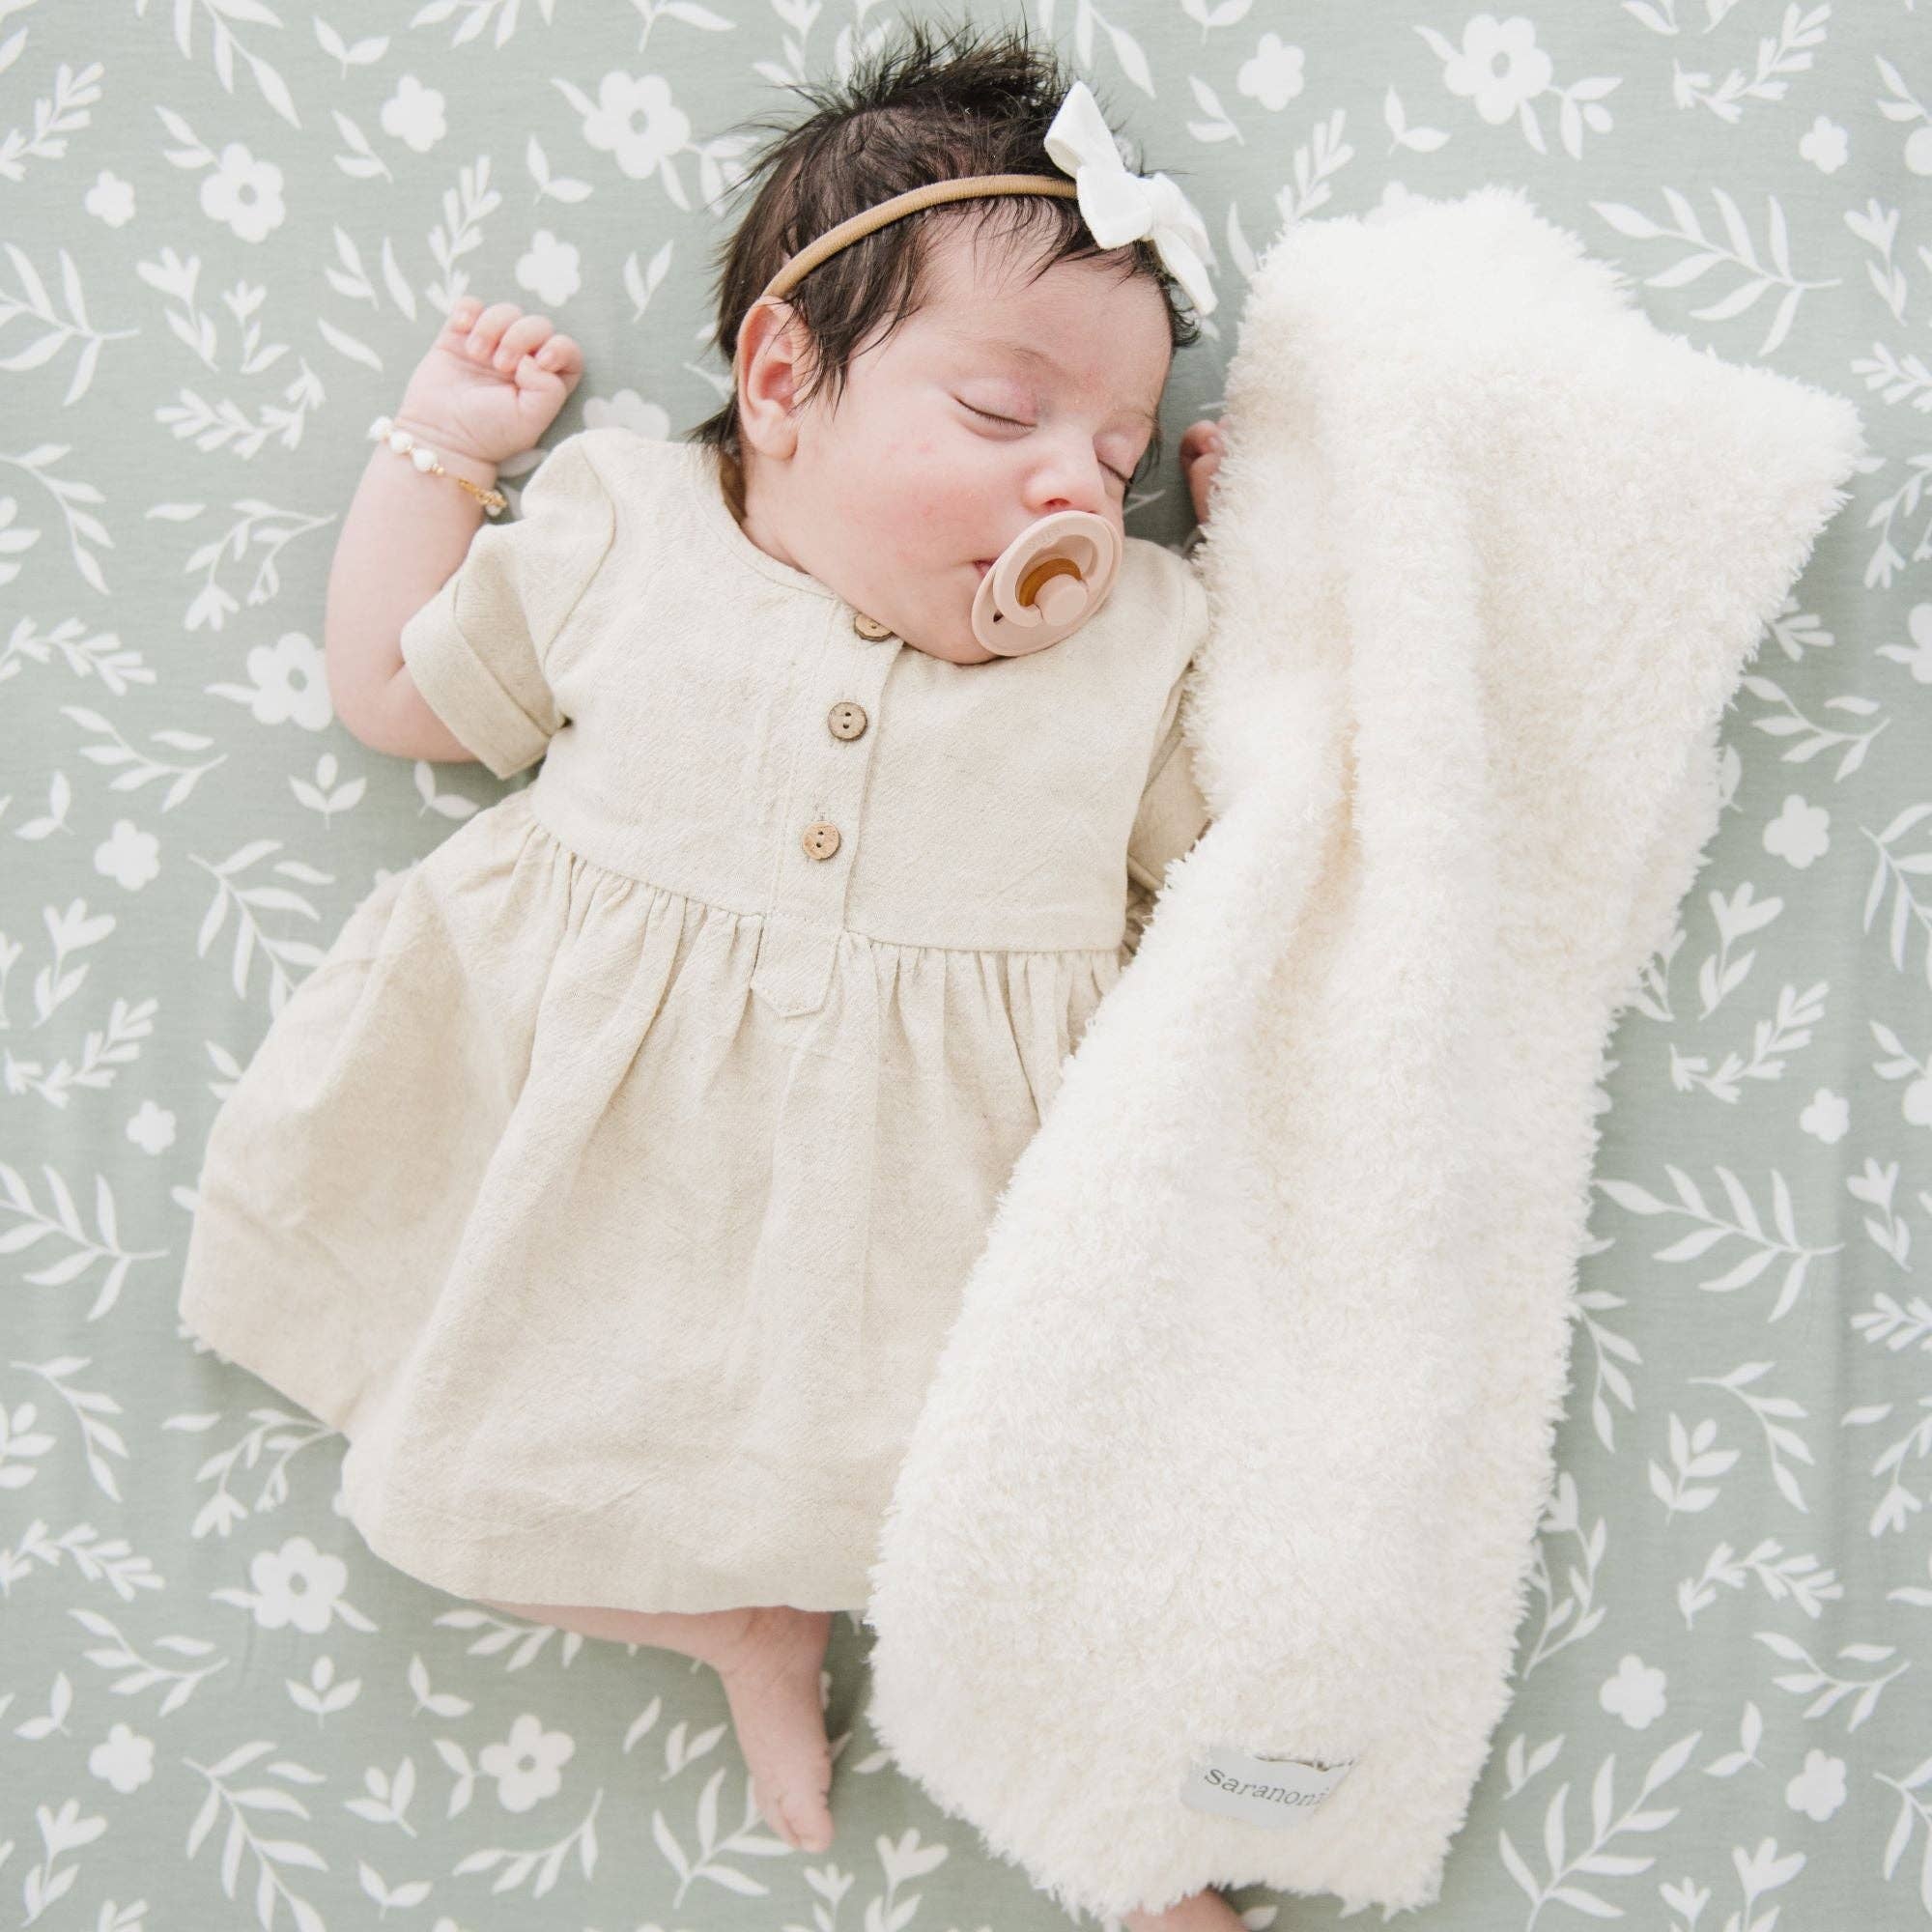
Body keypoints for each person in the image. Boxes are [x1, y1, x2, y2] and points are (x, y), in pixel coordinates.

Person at [178, 16, 1233, 1925]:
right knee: (455, 1471)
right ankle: (729, 1620)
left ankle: (1134, 1851)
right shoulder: (623, 529)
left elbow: (1248, 852)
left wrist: (1266, 565)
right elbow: (393, 692)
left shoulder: (1137, 642)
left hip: (941, 1216)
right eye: (1003, 418)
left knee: (1057, 1547)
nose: (1072, 496)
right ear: (779, 381)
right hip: (608, 1166)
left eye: (1116, 454)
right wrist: (444, 451)